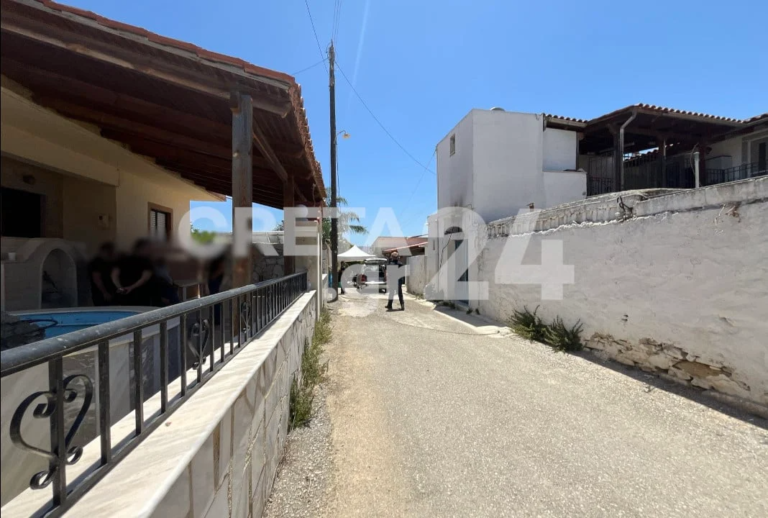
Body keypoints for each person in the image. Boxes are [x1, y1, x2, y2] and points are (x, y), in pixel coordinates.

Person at [111, 239, 155, 306]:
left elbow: (114, 275)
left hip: (123, 294)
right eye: (148, 248)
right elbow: (145, 278)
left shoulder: (122, 259)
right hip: (140, 295)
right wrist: (131, 287)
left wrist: (119, 287)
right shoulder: (146, 261)